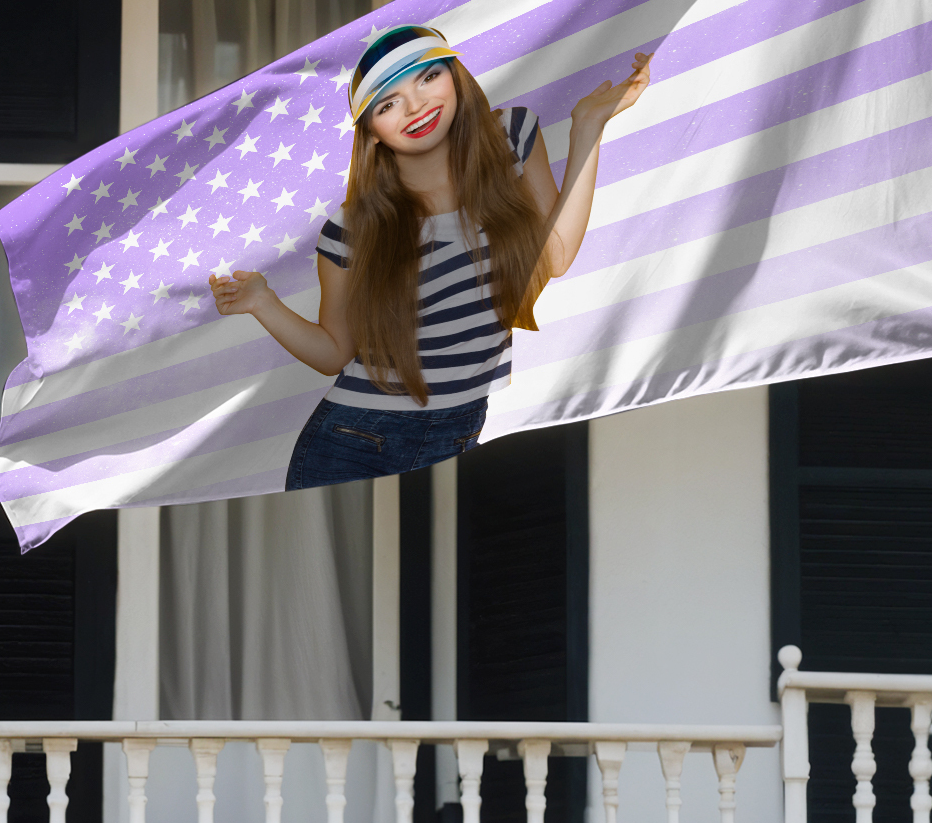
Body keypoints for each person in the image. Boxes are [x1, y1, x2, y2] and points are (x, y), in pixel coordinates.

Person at [208, 24, 651, 488]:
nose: (416, 106)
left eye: (426, 77)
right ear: (372, 132)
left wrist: (587, 130)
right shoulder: (352, 229)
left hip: (460, 428)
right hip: (354, 440)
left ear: (455, 76)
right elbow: (334, 352)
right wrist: (262, 302)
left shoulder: (512, 137)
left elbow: (554, 257)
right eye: (388, 102)